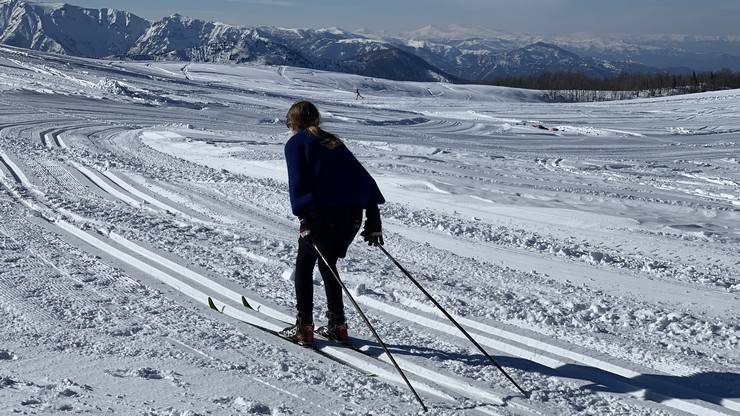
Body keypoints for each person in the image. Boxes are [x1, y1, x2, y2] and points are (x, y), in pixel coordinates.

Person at [279, 100, 385, 345]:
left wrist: (303, 218)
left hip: (320, 217)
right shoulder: (333, 142)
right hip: (351, 217)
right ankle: (338, 325)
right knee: (328, 265)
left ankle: (304, 327)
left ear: (292, 123)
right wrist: (374, 220)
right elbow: (362, 180)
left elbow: (298, 183)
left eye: (289, 124)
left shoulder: (296, 143)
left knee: (304, 266)